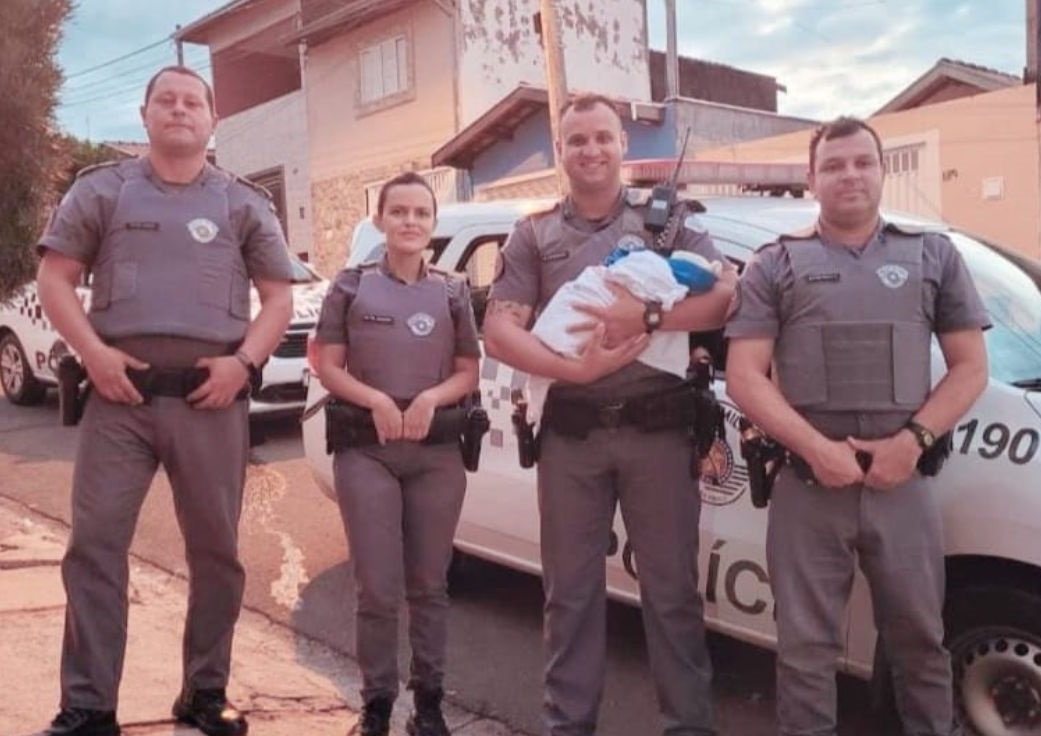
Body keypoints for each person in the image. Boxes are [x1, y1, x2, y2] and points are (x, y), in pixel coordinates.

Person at [33, 66, 294, 736]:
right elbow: (56, 278)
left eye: (192, 102)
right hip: (118, 399)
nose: (179, 110)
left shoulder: (242, 203)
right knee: (94, 547)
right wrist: (93, 352)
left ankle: (204, 693)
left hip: (213, 400)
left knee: (217, 553)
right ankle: (89, 706)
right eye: (166, 101)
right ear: (145, 114)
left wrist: (244, 363)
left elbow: (279, 298)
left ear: (212, 121)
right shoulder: (104, 192)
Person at [725, 116, 989, 736]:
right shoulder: (775, 265)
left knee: (921, 644)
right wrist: (817, 450)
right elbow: (745, 376)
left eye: (862, 162)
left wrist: (912, 442)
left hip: (904, 487)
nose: (850, 175)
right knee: (805, 653)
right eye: (834, 165)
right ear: (811, 179)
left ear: (880, 171)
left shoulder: (932, 256)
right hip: (810, 490)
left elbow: (970, 368)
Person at [483, 93, 736, 736]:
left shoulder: (672, 221)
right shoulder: (533, 234)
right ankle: (568, 726)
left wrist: (648, 316)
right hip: (572, 435)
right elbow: (499, 331)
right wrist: (576, 371)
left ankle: (688, 726)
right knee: (569, 598)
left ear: (624, 145)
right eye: (577, 140)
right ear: (560, 150)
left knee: (673, 595)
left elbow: (726, 300)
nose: (591, 150)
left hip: (659, 433)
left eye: (602, 137)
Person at [314, 172, 481, 736]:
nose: (410, 222)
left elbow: (468, 371)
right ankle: (377, 705)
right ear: (381, 220)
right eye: (399, 212)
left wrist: (432, 397)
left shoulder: (453, 291)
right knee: (378, 587)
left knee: (430, 585)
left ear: (432, 225)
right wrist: (376, 400)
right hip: (369, 451)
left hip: (436, 455)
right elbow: (328, 365)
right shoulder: (350, 286)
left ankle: (429, 704)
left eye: (421, 213)